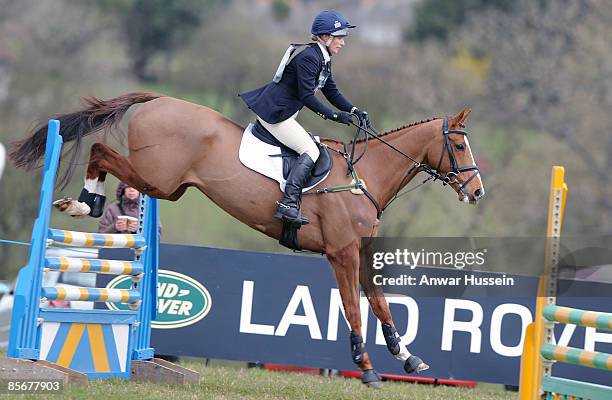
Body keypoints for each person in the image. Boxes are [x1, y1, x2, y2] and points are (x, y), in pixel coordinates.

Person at [239, 10, 368, 225]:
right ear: (325, 37)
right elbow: (307, 96)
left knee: (313, 145)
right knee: (310, 150)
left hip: (285, 115)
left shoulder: (322, 57)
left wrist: (354, 110)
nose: (343, 43)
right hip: (276, 115)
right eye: (340, 37)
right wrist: (335, 115)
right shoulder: (309, 57)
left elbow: (331, 91)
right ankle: (288, 203)